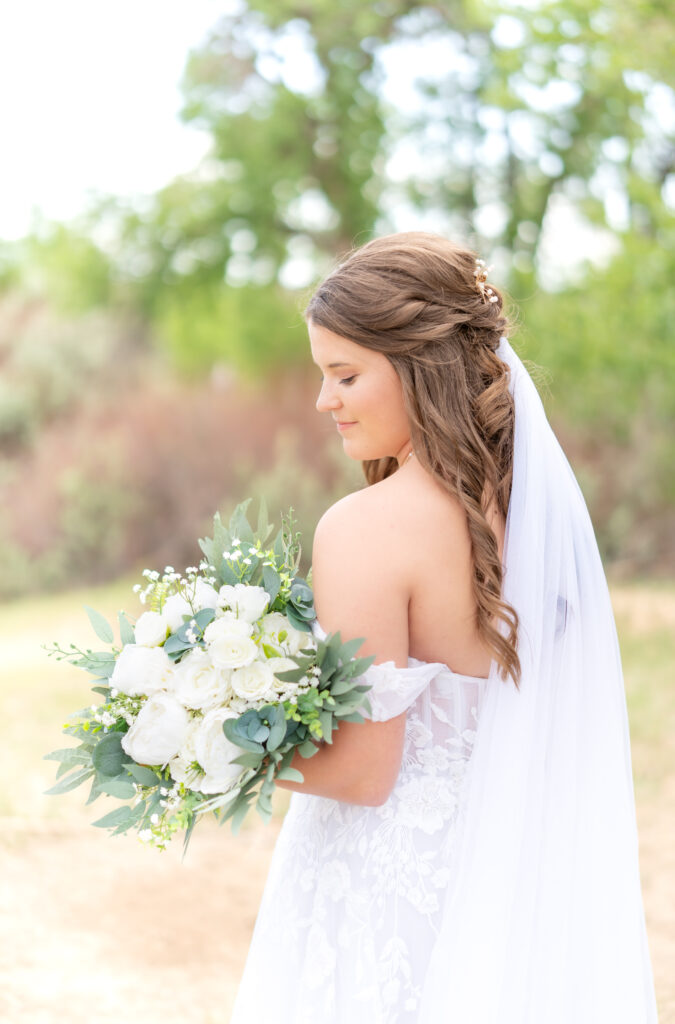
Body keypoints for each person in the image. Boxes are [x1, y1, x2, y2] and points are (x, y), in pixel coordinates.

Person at [230, 232, 658, 1023]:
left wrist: (210, 746)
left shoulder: (365, 530)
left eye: (345, 375)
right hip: (513, 885)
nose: (325, 402)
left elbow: (363, 772)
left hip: (387, 896)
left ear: (418, 366)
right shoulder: (528, 523)